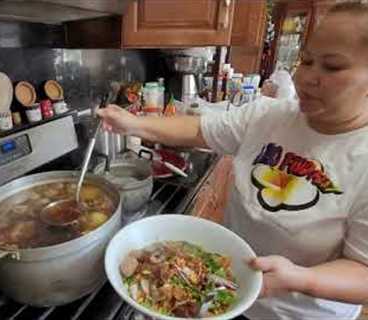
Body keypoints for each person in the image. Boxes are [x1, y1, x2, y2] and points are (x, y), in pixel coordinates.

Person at [97, 2, 368, 319]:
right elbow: (201, 129)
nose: (307, 77)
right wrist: (134, 123)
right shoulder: (269, 114)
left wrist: (301, 278)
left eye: (332, 67)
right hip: (222, 291)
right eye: (306, 60)